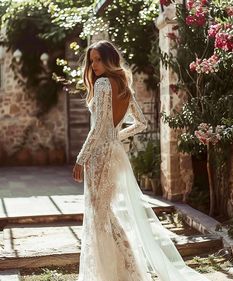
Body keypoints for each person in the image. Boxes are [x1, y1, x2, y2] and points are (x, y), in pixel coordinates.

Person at [73, 40, 210, 281]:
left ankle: (124, 270)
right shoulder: (122, 84)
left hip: (100, 155)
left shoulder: (104, 83)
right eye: (91, 60)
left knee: (99, 214)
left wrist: (81, 158)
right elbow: (140, 123)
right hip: (112, 152)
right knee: (103, 213)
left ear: (109, 59)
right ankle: (126, 269)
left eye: (98, 59)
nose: (94, 65)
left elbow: (99, 129)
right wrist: (115, 136)